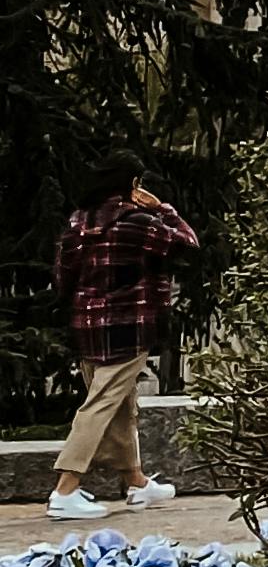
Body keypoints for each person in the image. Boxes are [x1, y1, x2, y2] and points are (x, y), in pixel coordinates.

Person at [45, 150, 196, 519]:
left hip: (88, 326)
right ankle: (65, 490)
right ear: (132, 184)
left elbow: (63, 275)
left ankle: (137, 483)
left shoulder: (78, 221)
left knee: (120, 405)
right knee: (100, 404)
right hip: (129, 325)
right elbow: (188, 244)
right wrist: (164, 208)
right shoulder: (140, 222)